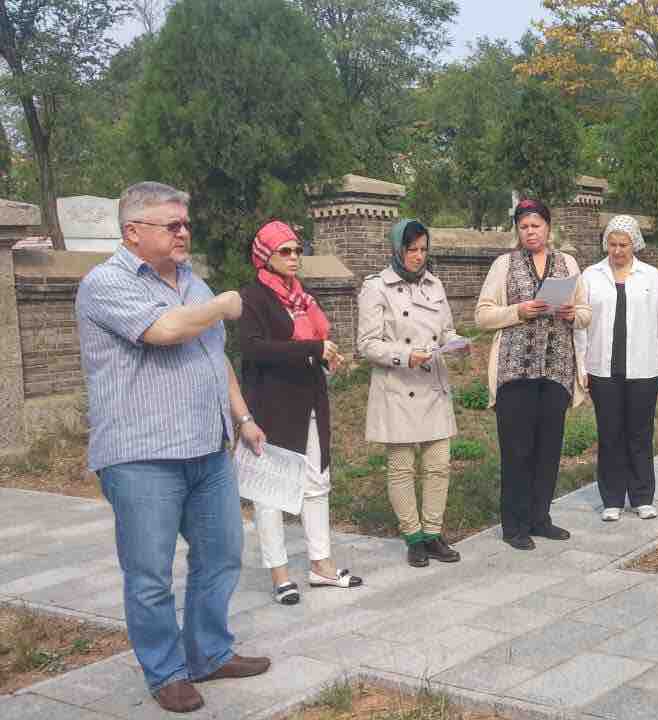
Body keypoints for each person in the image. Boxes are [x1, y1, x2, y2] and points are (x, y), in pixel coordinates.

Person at [75, 182, 270, 713]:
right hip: (142, 458)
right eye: (172, 225)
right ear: (132, 233)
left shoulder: (193, 284)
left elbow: (214, 357)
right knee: (149, 574)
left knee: (222, 556)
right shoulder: (105, 283)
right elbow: (164, 330)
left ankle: (208, 653)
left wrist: (243, 418)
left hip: (207, 449)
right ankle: (166, 671)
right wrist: (223, 305)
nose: (184, 232)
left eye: (186, 223)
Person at [240, 221, 362, 604]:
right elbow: (254, 349)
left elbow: (312, 343)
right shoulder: (253, 298)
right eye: (285, 251)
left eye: (297, 250)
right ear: (265, 256)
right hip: (271, 405)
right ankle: (279, 575)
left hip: (309, 401)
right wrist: (312, 349)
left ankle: (321, 565)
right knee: (270, 492)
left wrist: (326, 357)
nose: (294, 257)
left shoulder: (301, 296)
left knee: (316, 482)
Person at [476, 198, 591, 550]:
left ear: (548, 227)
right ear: (517, 230)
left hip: (556, 370)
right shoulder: (504, 265)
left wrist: (572, 314)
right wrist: (519, 311)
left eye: (536, 225)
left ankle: (540, 518)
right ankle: (514, 526)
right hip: (515, 372)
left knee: (548, 450)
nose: (530, 232)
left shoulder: (567, 263)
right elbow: (482, 315)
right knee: (517, 451)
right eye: (523, 226)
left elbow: (586, 312)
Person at [358, 219, 464, 567]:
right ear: (397, 249)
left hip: (432, 385)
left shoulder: (435, 284)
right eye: (412, 249)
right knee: (402, 467)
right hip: (398, 387)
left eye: (423, 249)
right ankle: (413, 537)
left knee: (439, 465)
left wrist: (457, 343)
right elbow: (366, 344)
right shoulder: (376, 287)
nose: (419, 256)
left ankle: (433, 534)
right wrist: (405, 355)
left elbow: (446, 331)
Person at [576, 215, 658, 522]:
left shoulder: (651, 277)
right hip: (602, 370)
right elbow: (580, 326)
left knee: (640, 434)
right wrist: (581, 366)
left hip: (645, 369)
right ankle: (611, 499)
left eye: (623, 245)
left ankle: (642, 497)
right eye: (612, 244)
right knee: (610, 434)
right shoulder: (591, 276)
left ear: (635, 245)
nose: (617, 250)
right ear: (605, 244)